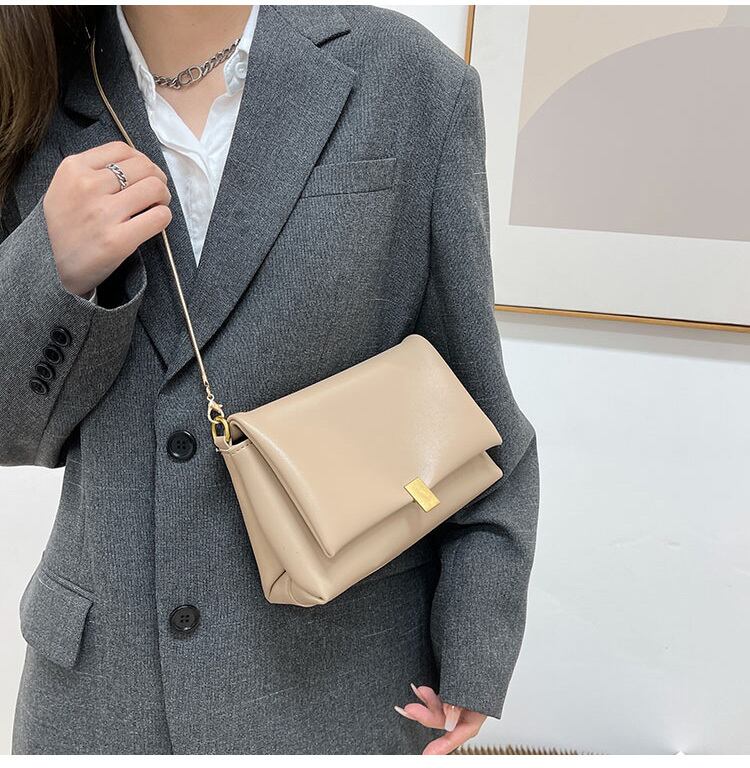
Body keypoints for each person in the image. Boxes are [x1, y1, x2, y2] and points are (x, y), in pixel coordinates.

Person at [0, 4, 539, 755]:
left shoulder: (409, 79)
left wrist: (474, 640)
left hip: (336, 683)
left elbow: (472, 399)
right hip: (98, 701)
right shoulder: (33, 90)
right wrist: (49, 269)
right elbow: (11, 432)